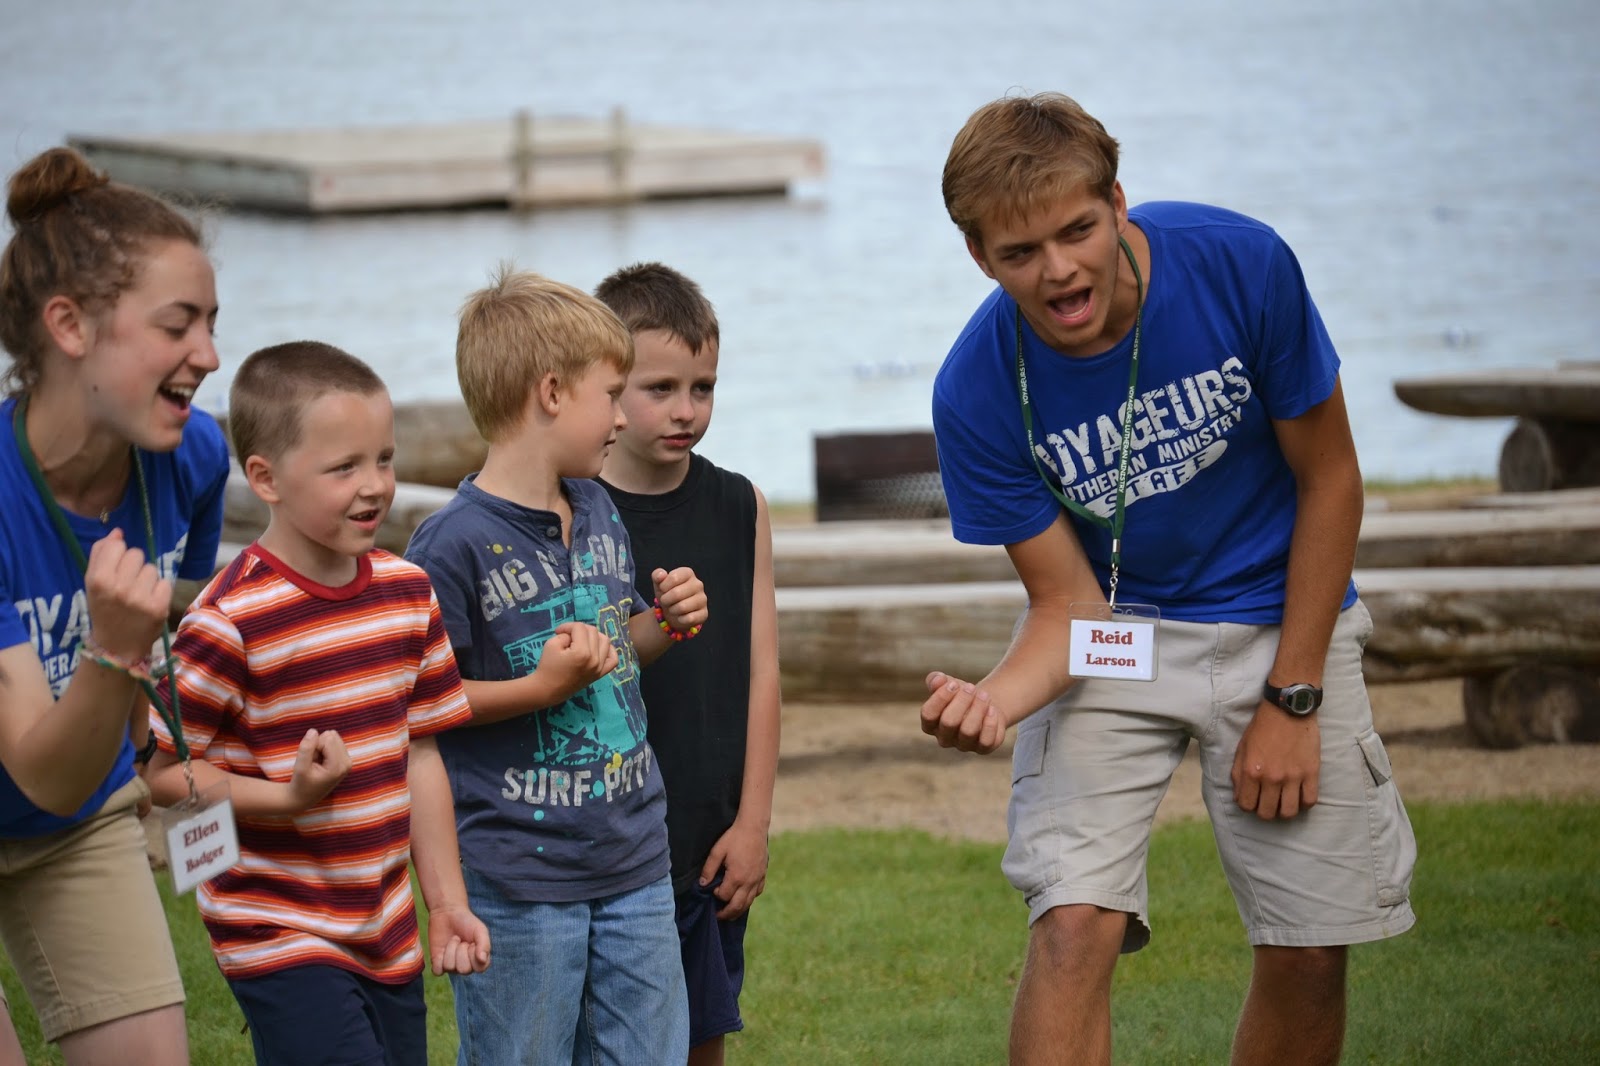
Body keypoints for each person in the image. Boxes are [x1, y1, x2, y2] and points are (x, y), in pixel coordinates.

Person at [921, 93, 1417, 1066]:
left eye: (1077, 231)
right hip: (1120, 635)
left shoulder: (1241, 264)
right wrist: (990, 702)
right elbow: (1069, 606)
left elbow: (1331, 480)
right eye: (1020, 252)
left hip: (1283, 619)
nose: (1058, 271)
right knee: (1073, 923)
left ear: (1117, 203)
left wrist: (1294, 695)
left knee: (1309, 946)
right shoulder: (975, 389)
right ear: (979, 256)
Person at [144, 340, 490, 1066]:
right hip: (275, 929)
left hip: (385, 926)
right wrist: (287, 798)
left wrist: (446, 901)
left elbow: (422, 754)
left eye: (384, 459)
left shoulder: (408, 593)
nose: (375, 486)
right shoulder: (227, 621)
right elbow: (164, 771)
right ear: (265, 479)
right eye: (344, 468)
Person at [405, 268, 708, 1065]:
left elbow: (615, 651)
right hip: (518, 879)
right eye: (609, 395)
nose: (621, 416)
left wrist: (663, 624)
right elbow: (421, 707)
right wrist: (539, 688)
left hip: (634, 857)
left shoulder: (599, 507)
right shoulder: (449, 546)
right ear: (549, 393)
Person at [0, 145, 229, 1065]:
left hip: (71, 817)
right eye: (178, 326)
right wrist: (111, 650)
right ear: (69, 325)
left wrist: (141, 757)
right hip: (46, 777)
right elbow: (41, 771)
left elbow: (156, 641)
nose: (209, 356)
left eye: (211, 323)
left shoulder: (194, 458)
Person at [594, 263, 780, 1066]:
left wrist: (752, 823)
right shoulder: (574, 510)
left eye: (703, 388)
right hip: (607, 834)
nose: (686, 410)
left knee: (703, 1034)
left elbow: (762, 674)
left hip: (709, 833)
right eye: (660, 388)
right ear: (606, 384)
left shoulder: (741, 504)